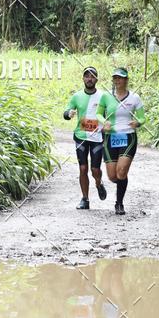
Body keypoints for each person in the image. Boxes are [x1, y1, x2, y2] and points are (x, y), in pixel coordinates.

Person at [97, 67, 145, 215]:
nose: (117, 81)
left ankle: (119, 203)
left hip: (128, 136)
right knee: (113, 176)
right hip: (110, 136)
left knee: (122, 172)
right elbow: (98, 114)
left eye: (120, 78)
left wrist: (138, 123)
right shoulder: (106, 96)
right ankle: (122, 185)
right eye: (115, 78)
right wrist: (104, 121)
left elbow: (142, 117)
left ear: (126, 80)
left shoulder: (135, 98)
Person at [63, 66, 108, 209]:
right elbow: (66, 112)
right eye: (86, 76)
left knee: (95, 170)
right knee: (83, 169)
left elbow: (111, 113)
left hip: (97, 137)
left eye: (92, 76)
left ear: (96, 79)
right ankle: (85, 199)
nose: (89, 79)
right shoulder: (77, 96)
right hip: (81, 136)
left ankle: (99, 183)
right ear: (83, 78)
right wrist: (68, 113)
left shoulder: (103, 96)